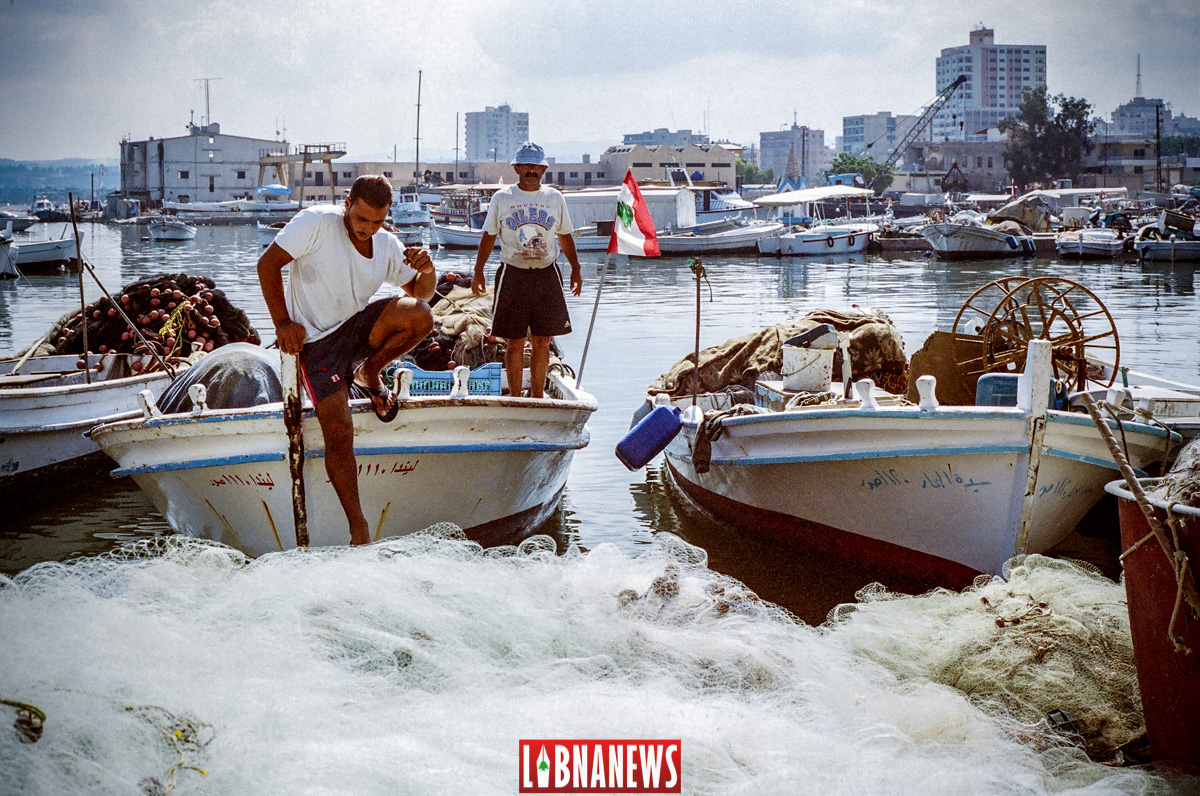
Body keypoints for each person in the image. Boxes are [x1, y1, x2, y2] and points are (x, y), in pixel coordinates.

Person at [257, 175, 436, 546]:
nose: (368, 229)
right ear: (347, 203)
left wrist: (428, 268)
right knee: (339, 432)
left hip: (356, 329)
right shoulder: (315, 223)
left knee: (420, 315)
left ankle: (369, 372)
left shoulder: (386, 244)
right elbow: (267, 265)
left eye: (378, 222)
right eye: (362, 220)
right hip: (316, 343)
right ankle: (359, 528)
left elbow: (421, 293)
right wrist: (282, 323)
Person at [471, 142, 582, 399]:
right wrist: (478, 271)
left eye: (536, 166)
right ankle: (516, 397)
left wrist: (576, 268)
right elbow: (488, 236)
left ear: (543, 169)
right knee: (515, 342)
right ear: (517, 168)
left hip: (546, 273)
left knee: (543, 340)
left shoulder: (554, 198)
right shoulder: (502, 198)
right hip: (513, 273)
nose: (531, 171)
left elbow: (565, 235)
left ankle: (537, 395)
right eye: (526, 166)